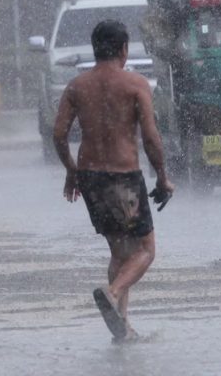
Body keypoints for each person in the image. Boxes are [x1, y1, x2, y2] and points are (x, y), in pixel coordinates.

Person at [53, 19, 174, 342]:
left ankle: (122, 326)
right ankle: (113, 291)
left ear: (95, 49)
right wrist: (162, 176)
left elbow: (59, 134)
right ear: (123, 49)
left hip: (90, 178)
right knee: (146, 250)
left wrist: (71, 170)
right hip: (124, 178)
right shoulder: (135, 85)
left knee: (120, 252)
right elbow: (150, 137)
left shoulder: (77, 86)